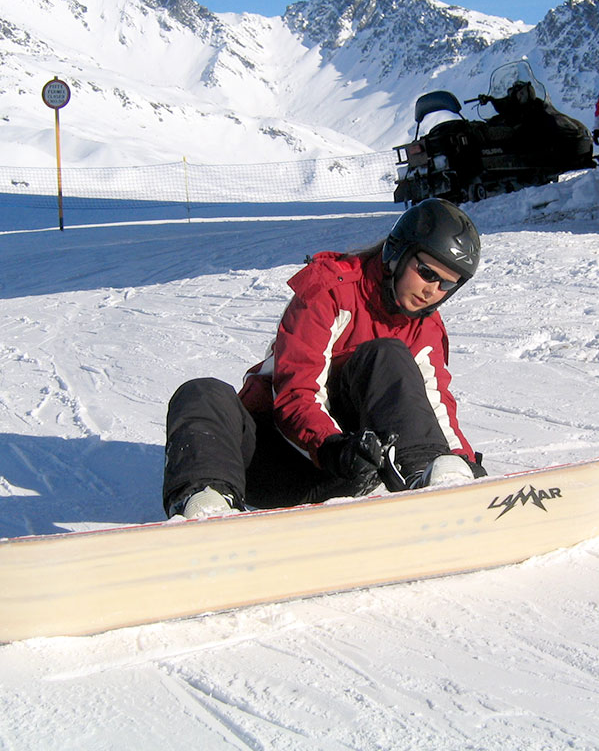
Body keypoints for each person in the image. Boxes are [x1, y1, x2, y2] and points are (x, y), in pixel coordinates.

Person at [163, 198, 486, 520]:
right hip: (269, 463)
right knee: (203, 392)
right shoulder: (331, 290)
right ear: (396, 253)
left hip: (344, 473)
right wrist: (333, 447)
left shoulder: (425, 326)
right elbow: (295, 391)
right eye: (427, 272)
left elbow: (434, 403)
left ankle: (426, 478)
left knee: (387, 354)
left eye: (447, 284)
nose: (433, 290)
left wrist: (461, 462)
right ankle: (206, 502)